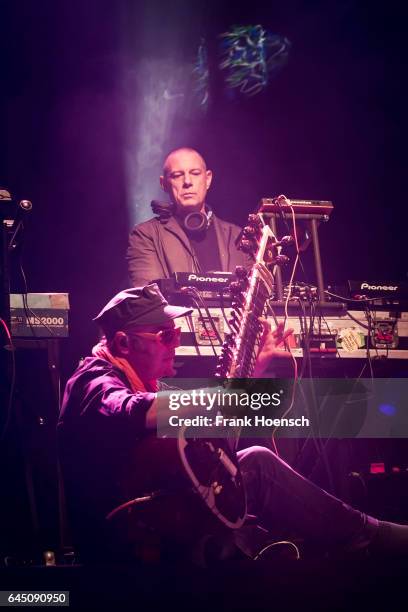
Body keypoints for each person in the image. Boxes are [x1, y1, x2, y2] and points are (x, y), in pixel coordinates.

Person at [58, 284, 408, 564]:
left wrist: (252, 374)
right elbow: (132, 412)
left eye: (177, 334)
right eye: (166, 336)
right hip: (124, 539)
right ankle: (367, 538)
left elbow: (200, 446)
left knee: (247, 463)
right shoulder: (93, 381)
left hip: (158, 516)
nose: (176, 345)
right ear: (123, 342)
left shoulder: (133, 377)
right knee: (257, 464)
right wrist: (218, 395)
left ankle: (354, 540)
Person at [126, 148, 251, 286]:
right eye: (177, 175)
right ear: (164, 184)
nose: (187, 181)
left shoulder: (238, 237)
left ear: (208, 179)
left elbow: (257, 298)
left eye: (195, 173)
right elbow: (149, 300)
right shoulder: (146, 235)